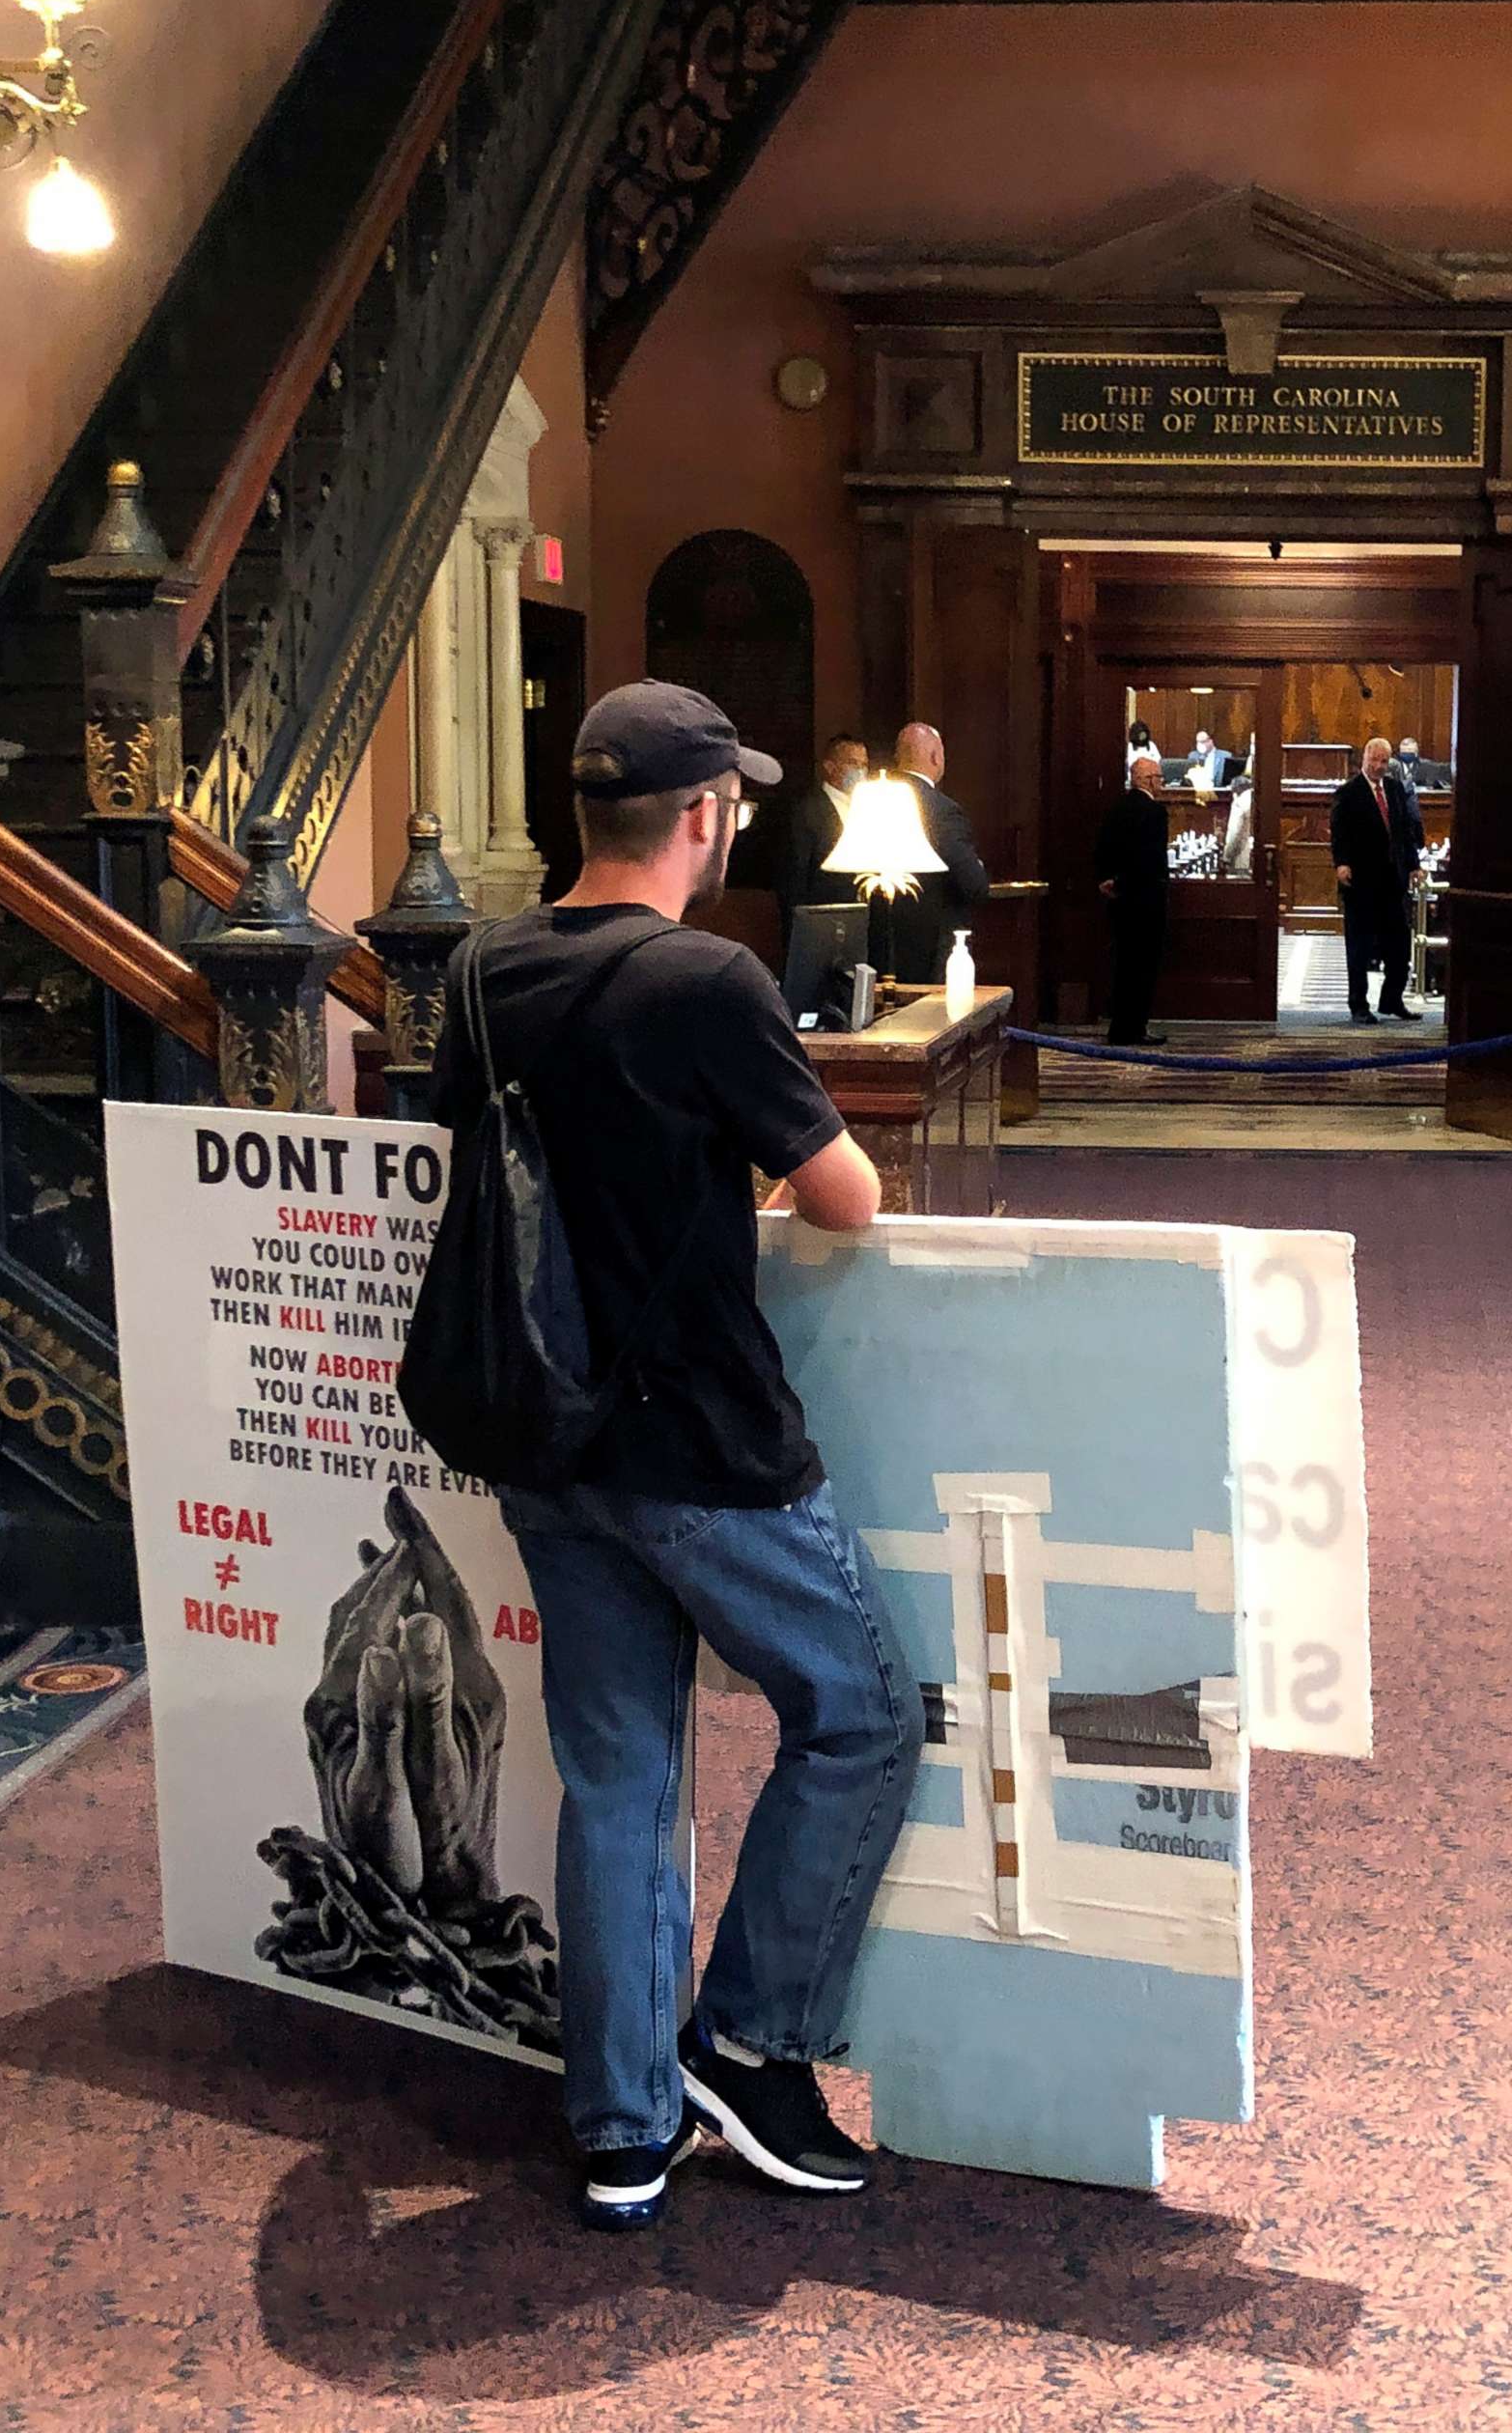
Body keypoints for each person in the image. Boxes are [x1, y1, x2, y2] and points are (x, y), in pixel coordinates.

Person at [430, 679, 921, 2233]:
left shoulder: (476, 972)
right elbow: (845, 1197)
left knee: (619, 1776)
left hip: (540, 1432)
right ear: (703, 817)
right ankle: (749, 2041)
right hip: (698, 1441)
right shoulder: (708, 978)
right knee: (859, 1715)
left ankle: (624, 2127)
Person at [881, 721, 990, 983]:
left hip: (881, 942)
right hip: (931, 947)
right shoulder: (942, 810)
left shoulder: (873, 801)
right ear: (935, 757)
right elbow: (973, 883)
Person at [1330, 736, 1425, 1023]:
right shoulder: (1348, 792)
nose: (1380, 766)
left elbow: (1405, 832)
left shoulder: (1395, 790)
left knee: (1398, 947)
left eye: (1384, 761)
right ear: (1364, 760)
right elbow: (1339, 832)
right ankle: (1359, 1005)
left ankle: (1391, 1000)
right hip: (1361, 881)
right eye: (1375, 760)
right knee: (1359, 948)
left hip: (1393, 881)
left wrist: (1413, 866)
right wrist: (1342, 863)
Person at [1094, 750, 1171, 1045]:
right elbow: (1149, 859)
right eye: (1160, 778)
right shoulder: (1154, 813)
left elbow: (1103, 848)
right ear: (1149, 781)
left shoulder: (1117, 808)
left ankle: (1121, 1027)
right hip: (1147, 899)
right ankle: (1134, 1028)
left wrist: (1108, 880)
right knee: (1142, 968)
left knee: (1123, 966)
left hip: (1120, 900)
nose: (1162, 783)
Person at [776, 730, 869, 947]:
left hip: (862, 924)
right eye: (853, 764)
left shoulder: (868, 808)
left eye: (864, 765)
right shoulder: (807, 812)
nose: (860, 771)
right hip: (823, 926)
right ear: (830, 766)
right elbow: (794, 879)